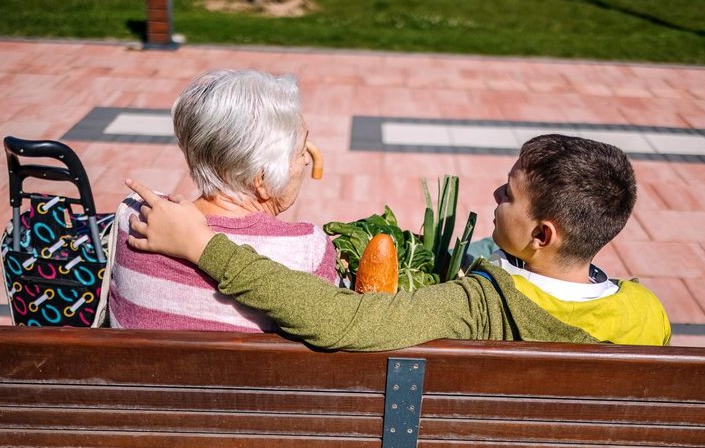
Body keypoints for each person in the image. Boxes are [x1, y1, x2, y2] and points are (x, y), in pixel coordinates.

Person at [123, 134, 671, 350]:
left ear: (541, 235)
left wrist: (202, 246)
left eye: (510, 194)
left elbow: (342, 321)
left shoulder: (483, 306)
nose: (495, 192)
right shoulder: (648, 315)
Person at [109, 69, 337, 331]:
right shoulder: (306, 249)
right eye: (300, 152)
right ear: (261, 179)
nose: (307, 159)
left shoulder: (136, 217)